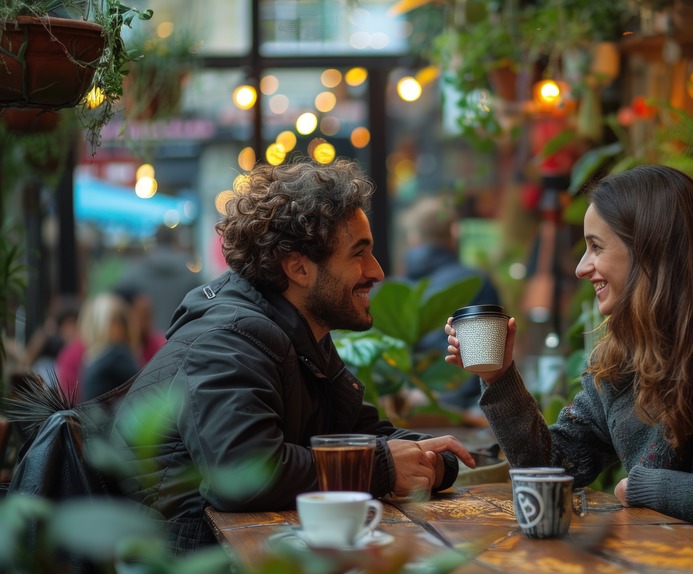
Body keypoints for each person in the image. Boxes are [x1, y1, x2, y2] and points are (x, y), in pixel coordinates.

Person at [445, 164, 693, 546]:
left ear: (651, 250)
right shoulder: (627, 354)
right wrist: (500, 378)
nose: (582, 268)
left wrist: (649, 487)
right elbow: (552, 467)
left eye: (596, 247)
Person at [108, 158, 475, 555]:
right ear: (299, 267)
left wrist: (431, 458)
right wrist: (383, 466)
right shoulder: (229, 339)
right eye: (358, 253)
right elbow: (243, 474)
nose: (377, 271)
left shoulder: (295, 336)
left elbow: (353, 434)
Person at [397, 195, 502, 415]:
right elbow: (487, 360)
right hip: (465, 409)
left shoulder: (392, 291)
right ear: (453, 236)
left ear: (414, 239)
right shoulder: (475, 283)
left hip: (406, 410)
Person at [78, 291, 140, 402]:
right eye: (116, 321)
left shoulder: (90, 357)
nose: (121, 327)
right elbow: (145, 385)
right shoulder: (117, 355)